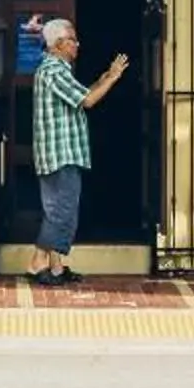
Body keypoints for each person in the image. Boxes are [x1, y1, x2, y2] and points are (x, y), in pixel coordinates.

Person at [29, 17, 128, 286]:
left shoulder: (56, 70)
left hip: (60, 153)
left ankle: (56, 268)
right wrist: (114, 79)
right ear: (59, 44)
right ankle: (38, 261)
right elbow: (89, 100)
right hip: (60, 154)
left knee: (59, 209)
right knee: (62, 210)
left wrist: (107, 76)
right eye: (73, 40)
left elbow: (84, 92)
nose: (77, 44)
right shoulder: (54, 71)